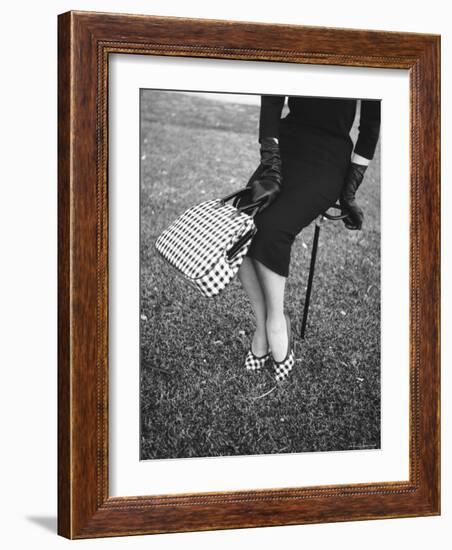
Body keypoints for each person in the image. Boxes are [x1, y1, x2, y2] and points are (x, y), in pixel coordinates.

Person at [238, 95, 381, 382]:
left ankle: (277, 323)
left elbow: (370, 124)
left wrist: (351, 186)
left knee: (274, 230)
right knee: (240, 223)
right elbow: (272, 97)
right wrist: (271, 160)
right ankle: (262, 324)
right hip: (286, 145)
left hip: (329, 156)